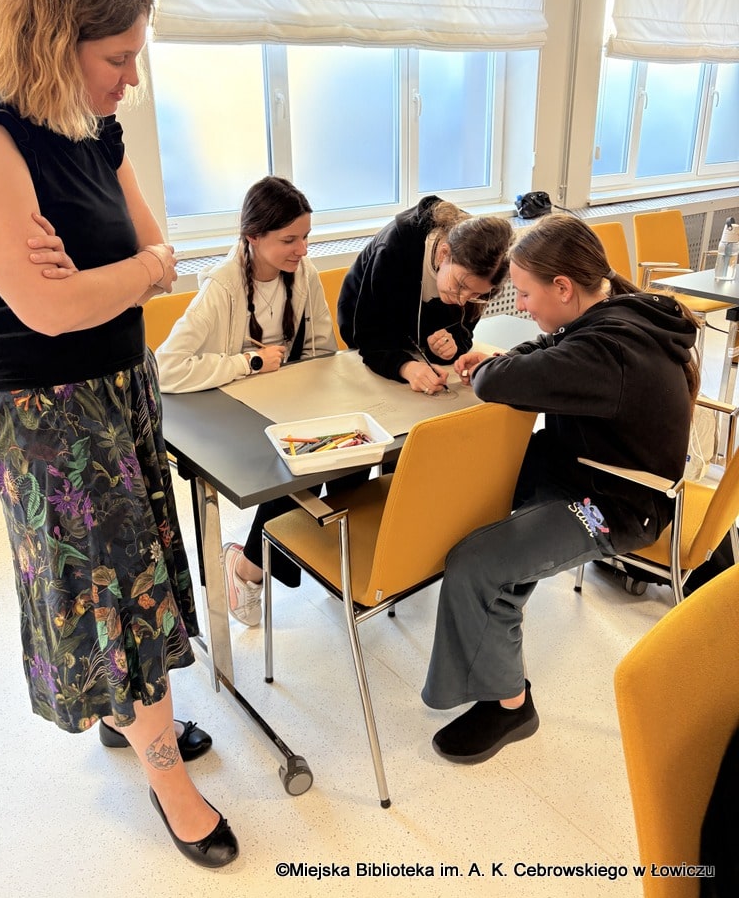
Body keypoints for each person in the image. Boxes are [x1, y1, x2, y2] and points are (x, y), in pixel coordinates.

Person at [0, 0, 237, 868]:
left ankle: (135, 718)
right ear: (53, 41)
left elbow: (163, 256)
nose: (131, 79)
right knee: (111, 589)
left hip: (119, 383)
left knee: (138, 575)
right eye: (117, 58)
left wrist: (118, 275)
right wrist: (130, 272)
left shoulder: (95, 134)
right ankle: (170, 782)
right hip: (44, 409)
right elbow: (47, 311)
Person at [422, 215, 700, 764]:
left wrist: (494, 366)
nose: (522, 306)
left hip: (617, 504)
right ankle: (494, 624)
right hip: (584, 469)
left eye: (526, 294)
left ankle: (509, 706)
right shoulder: (615, 313)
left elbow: (505, 379)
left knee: (478, 562)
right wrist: (508, 357)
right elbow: (547, 346)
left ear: (564, 288)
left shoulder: (608, 353)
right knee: (478, 493)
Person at [156, 176, 340, 628]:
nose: (302, 250)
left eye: (306, 237)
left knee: (344, 458)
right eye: (289, 240)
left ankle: (327, 561)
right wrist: (250, 363)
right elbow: (165, 368)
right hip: (229, 418)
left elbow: (322, 349)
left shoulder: (305, 275)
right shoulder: (222, 288)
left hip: (284, 406)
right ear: (253, 237)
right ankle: (245, 569)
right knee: (300, 466)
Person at [337, 195, 513, 393]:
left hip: (413, 350)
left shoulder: (484, 262)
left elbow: (463, 332)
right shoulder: (394, 249)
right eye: (460, 286)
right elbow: (370, 338)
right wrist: (405, 367)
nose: (463, 300)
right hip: (368, 336)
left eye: (477, 294)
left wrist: (448, 348)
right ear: (443, 254)